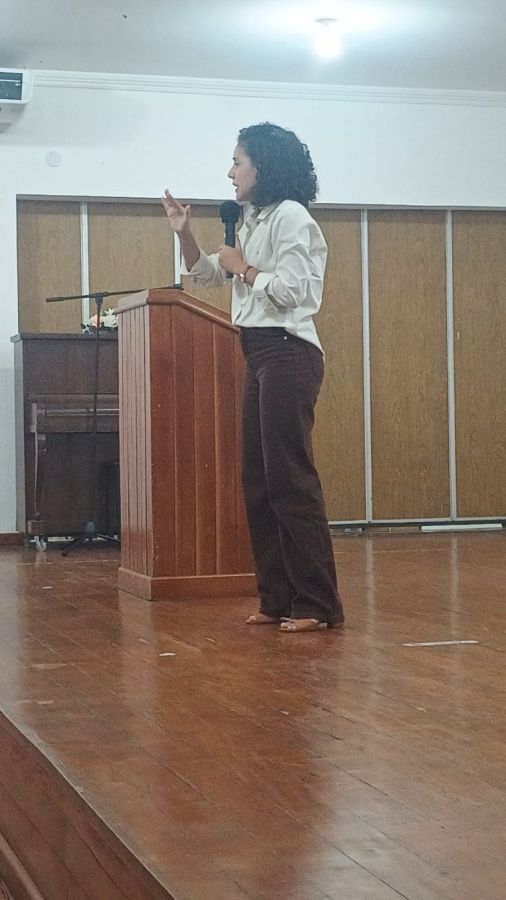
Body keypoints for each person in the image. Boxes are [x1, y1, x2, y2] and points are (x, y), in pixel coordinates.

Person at [162, 122, 344, 633]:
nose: (230, 172)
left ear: (263, 166)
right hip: (260, 352)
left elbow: (297, 293)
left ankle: (318, 604)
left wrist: (245, 269)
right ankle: (278, 599)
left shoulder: (292, 218)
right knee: (259, 482)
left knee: (290, 479)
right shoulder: (251, 219)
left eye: (237, 161)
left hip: (288, 351)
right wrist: (185, 234)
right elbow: (206, 273)